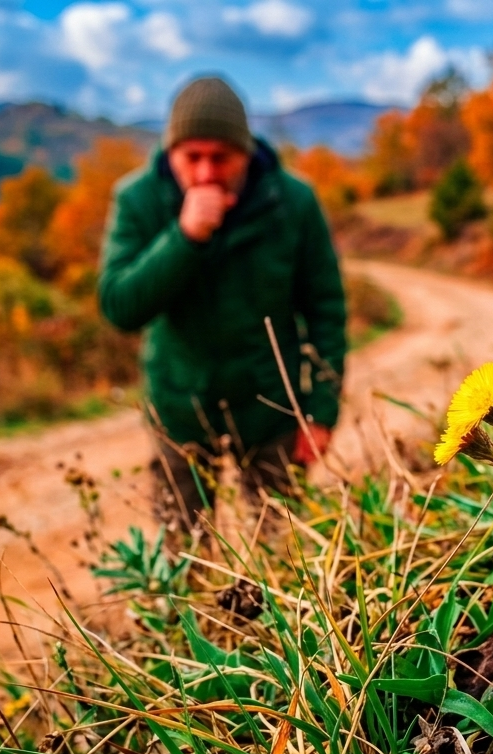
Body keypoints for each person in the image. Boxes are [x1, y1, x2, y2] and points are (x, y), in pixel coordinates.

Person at [98, 76, 346, 540]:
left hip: (272, 408)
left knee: (285, 548)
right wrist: (184, 237)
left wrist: (321, 412)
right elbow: (119, 306)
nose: (207, 172)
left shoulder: (292, 202)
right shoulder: (138, 200)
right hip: (180, 409)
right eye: (192, 158)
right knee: (185, 555)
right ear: (170, 152)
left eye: (221, 157)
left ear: (246, 151)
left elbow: (325, 308)